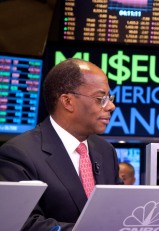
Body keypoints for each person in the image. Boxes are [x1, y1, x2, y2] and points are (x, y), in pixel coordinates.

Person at [0, 58, 122, 230]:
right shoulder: (19, 153)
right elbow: (24, 223)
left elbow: (118, 209)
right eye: (100, 98)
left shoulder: (105, 151)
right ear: (67, 101)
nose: (111, 106)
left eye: (109, 97)